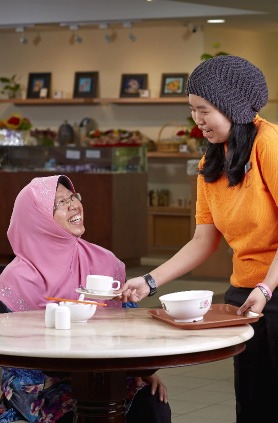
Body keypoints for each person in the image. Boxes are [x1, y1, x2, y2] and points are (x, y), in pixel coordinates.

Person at [117, 55, 278, 423]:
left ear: (231, 106)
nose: (197, 120)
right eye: (192, 110)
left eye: (203, 110)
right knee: (252, 402)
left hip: (272, 288)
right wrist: (150, 280)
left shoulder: (269, 143)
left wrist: (268, 286)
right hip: (245, 292)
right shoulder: (211, 164)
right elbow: (203, 240)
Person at [0, 175, 171, 423]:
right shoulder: (15, 280)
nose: (74, 205)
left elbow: (130, 329)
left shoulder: (104, 261)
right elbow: (10, 358)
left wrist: (139, 372)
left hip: (105, 374)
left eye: (74, 197)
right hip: (43, 384)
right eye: (60, 202)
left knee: (153, 406)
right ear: (37, 218)